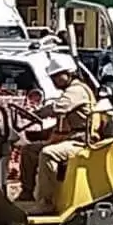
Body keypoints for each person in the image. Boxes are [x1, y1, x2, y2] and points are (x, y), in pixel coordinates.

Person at [18, 53, 97, 210]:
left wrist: (37, 113)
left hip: (81, 140)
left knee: (48, 153)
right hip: (71, 137)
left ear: (68, 73)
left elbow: (58, 108)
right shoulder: (71, 91)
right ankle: (27, 193)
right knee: (29, 150)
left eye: (56, 76)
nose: (53, 81)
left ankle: (46, 202)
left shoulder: (77, 90)